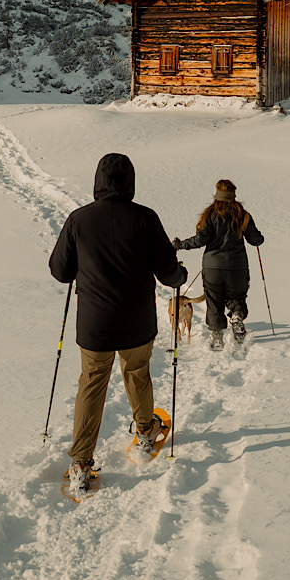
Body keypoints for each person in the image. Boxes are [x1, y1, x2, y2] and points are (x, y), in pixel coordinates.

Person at [49, 152, 186, 492]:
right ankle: (145, 431)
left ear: (97, 181)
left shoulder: (78, 220)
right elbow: (170, 275)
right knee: (137, 374)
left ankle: (81, 462)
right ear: (131, 183)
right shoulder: (145, 219)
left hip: (95, 324)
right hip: (136, 322)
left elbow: (59, 271)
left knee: (92, 384)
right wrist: (180, 271)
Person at [174, 179, 264, 350]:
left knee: (214, 300)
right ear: (234, 195)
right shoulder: (243, 215)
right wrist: (259, 238)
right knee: (236, 296)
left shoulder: (210, 215)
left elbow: (201, 239)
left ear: (217, 196)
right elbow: (255, 240)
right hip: (237, 267)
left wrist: (181, 245)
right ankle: (236, 316)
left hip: (213, 266)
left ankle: (217, 336)